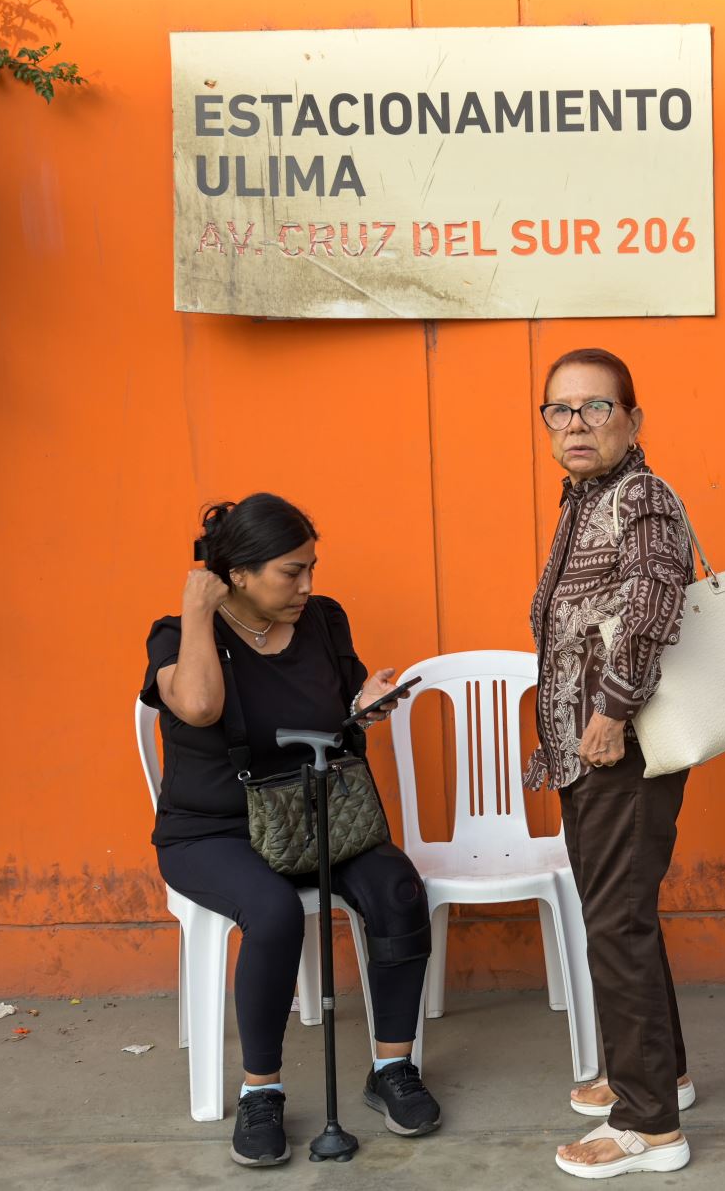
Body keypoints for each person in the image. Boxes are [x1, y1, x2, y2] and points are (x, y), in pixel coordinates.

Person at [143, 493, 439, 1166]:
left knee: (396, 887)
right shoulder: (176, 634)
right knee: (273, 912)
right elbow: (198, 705)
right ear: (237, 574)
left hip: (317, 815)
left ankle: (392, 1068)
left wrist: (365, 708)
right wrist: (197, 609)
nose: (307, 586)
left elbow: (339, 717)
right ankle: (261, 1092)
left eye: (310, 568)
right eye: (289, 572)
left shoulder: (325, 622)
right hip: (212, 833)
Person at [525, 348, 697, 1178]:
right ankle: (666, 1073)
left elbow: (655, 607)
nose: (576, 425)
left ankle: (649, 1127)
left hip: (619, 745)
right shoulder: (583, 499)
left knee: (616, 925)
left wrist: (610, 713)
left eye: (595, 408)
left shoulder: (643, 499)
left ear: (633, 419)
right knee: (621, 914)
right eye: (559, 410)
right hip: (583, 749)